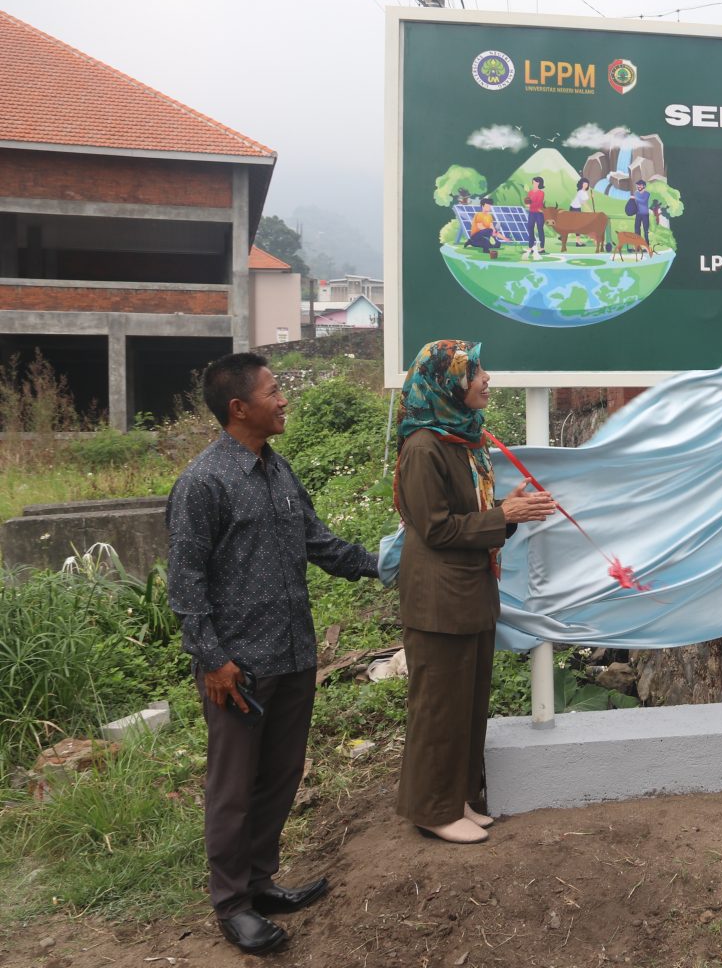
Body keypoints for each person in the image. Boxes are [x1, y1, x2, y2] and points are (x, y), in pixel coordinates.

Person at [166, 352, 379, 955]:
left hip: (293, 656)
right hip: (239, 669)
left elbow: (320, 543)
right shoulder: (204, 482)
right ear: (240, 407)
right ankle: (232, 904)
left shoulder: (279, 471)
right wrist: (212, 659)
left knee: (281, 776)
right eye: (275, 391)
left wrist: (388, 563)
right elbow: (185, 584)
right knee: (233, 788)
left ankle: (260, 882)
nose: (285, 399)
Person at [393, 340, 556, 844]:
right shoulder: (423, 447)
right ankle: (432, 810)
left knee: (466, 703)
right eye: (476, 372)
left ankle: (457, 798)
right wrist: (502, 516)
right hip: (438, 601)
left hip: (467, 594)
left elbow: (470, 519)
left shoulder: (460, 440)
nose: (486, 379)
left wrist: (506, 513)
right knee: (439, 706)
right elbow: (436, 529)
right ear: (447, 383)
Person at [526, 176, 547, 253]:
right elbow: (527, 201)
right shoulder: (530, 192)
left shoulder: (541, 193)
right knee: (530, 228)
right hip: (531, 213)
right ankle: (530, 247)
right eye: (534, 182)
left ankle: (542, 248)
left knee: (540, 229)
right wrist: (528, 203)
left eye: (536, 182)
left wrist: (530, 205)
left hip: (539, 213)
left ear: (539, 183)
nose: (534, 183)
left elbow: (539, 203)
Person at [632, 179, 652, 244]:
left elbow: (643, 201)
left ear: (644, 186)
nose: (638, 186)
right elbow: (635, 203)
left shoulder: (647, 194)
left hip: (645, 214)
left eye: (640, 185)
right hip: (638, 214)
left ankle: (647, 245)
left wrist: (635, 198)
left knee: (646, 230)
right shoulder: (636, 193)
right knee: (637, 230)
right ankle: (638, 245)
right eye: (637, 185)